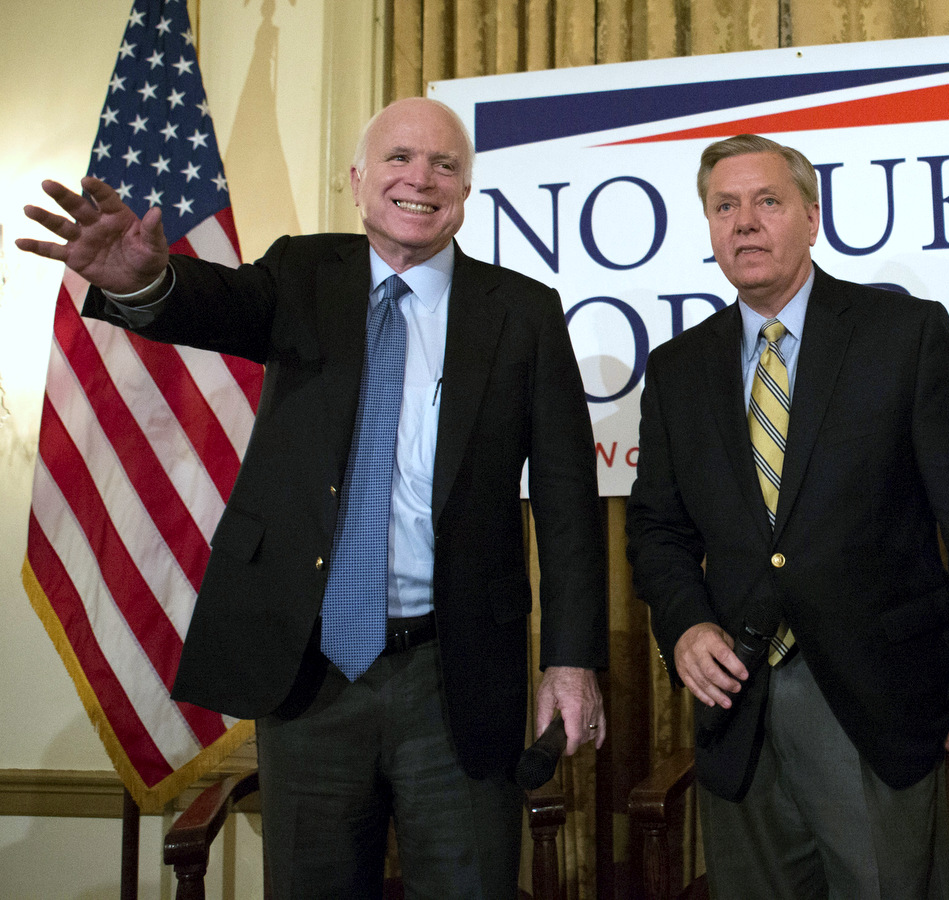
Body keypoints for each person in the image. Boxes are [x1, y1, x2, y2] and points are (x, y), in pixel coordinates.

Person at [18, 97, 607, 900]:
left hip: (458, 676)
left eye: (445, 166)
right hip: (310, 674)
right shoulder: (303, 273)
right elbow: (210, 303)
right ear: (359, 182)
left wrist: (570, 660)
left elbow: (571, 503)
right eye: (399, 158)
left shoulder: (522, 311)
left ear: (466, 191)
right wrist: (148, 280)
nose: (421, 179)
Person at [625, 133, 949, 899]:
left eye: (767, 202)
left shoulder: (902, 337)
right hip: (736, 708)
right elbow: (659, 530)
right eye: (725, 207)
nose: (745, 223)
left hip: (877, 701)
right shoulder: (678, 370)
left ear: (812, 217)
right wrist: (685, 624)